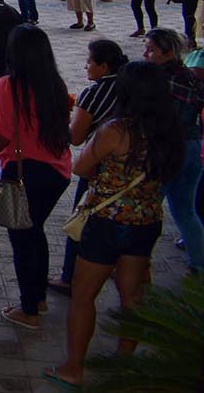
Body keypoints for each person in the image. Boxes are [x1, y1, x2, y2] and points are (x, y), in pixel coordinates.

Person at [46, 61, 184, 390]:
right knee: (132, 296)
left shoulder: (117, 130)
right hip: (146, 220)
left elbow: (81, 167)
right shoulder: (171, 128)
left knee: (82, 297)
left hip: (106, 222)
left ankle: (74, 367)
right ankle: (124, 362)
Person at [0, 24, 73, 330]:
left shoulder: (8, 85)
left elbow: (3, 133)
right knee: (36, 231)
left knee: (22, 240)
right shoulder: (56, 84)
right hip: (57, 171)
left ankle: (29, 310)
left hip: (23, 171)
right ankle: (40, 298)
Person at [49, 39, 127, 296]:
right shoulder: (131, 85)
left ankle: (69, 277)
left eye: (90, 61)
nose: (85, 66)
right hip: (135, 170)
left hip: (99, 168)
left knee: (80, 222)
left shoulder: (94, 93)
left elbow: (76, 137)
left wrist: (65, 118)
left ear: (103, 67)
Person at [142, 28, 204, 272]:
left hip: (168, 149)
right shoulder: (190, 76)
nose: (146, 54)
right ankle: (198, 263)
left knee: (149, 209)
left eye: (151, 49)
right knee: (185, 210)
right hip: (192, 147)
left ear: (167, 52)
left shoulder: (160, 80)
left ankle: (138, 263)